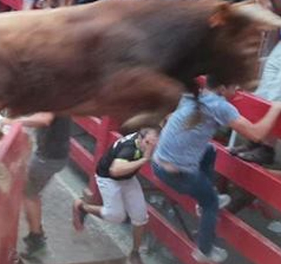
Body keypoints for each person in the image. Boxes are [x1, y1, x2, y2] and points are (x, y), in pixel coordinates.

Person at [152, 76, 281, 263]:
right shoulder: (219, 106)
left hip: (159, 162)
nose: (237, 90)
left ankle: (203, 197)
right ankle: (204, 251)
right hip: (177, 173)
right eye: (234, 85)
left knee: (210, 149)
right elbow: (257, 134)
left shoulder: (193, 93)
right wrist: (275, 108)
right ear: (222, 87)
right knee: (211, 204)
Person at [73, 128, 159, 257]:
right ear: (140, 138)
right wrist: (144, 159)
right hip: (108, 178)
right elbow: (115, 170)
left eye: (154, 145)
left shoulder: (142, 140)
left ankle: (135, 252)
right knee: (116, 215)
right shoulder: (129, 149)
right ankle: (82, 207)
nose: (150, 148)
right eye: (147, 143)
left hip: (128, 178)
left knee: (140, 216)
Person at [2, 113, 72, 257]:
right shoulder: (61, 95)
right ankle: (37, 231)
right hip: (55, 155)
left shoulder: (54, 96)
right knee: (31, 191)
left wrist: (14, 120)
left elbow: (44, 119)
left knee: (29, 194)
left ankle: (36, 237)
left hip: (47, 158)